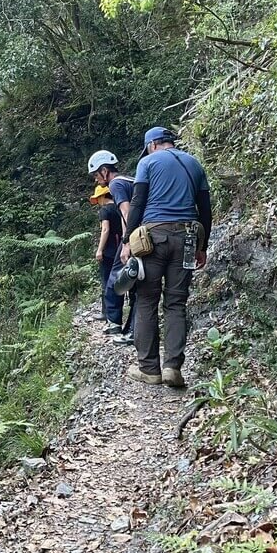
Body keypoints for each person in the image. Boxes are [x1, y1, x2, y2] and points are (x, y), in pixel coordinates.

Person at [120, 127, 211, 387]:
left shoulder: (147, 163)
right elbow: (205, 209)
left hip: (153, 238)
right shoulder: (194, 163)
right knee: (176, 303)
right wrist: (202, 246)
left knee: (147, 299)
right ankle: (172, 367)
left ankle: (149, 369)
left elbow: (138, 203)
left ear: (152, 145)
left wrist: (126, 241)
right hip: (188, 238)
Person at [87, 150, 136, 344]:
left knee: (115, 280)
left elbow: (126, 211)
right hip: (147, 234)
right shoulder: (131, 181)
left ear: (105, 170)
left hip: (134, 238)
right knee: (137, 286)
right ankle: (132, 329)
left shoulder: (116, 184)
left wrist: (126, 242)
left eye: (96, 174)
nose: (96, 179)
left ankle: (115, 322)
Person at [89, 185, 121, 323]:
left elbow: (105, 230)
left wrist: (100, 250)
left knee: (106, 282)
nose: (98, 202)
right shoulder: (120, 207)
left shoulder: (105, 210)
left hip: (108, 252)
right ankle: (116, 314)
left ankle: (107, 313)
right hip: (121, 249)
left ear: (103, 196)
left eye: (98, 198)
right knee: (119, 282)